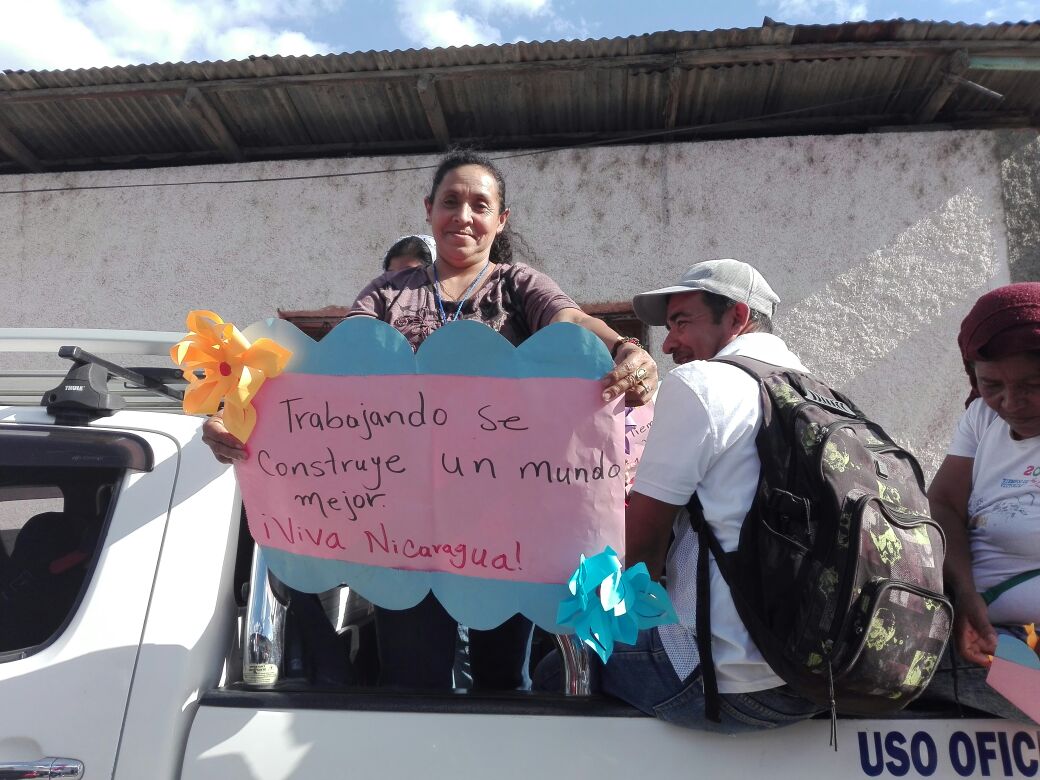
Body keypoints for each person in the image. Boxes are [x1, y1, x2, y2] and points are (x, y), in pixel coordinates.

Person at [203, 149, 659, 691]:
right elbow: (330, 377)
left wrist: (626, 348)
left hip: (505, 533)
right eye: (451, 202)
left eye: (480, 205)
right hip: (404, 537)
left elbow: (570, 320)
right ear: (429, 209)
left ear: (501, 220)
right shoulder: (388, 293)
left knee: (502, 687)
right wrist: (235, 414)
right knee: (411, 684)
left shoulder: (518, 285)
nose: (463, 216)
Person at [536, 259, 823, 732]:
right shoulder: (815, 393)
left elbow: (643, 547)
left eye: (682, 322)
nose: (668, 345)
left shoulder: (704, 384)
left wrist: (591, 609)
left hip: (726, 679)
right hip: (816, 676)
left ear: (737, 316)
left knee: (559, 665)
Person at [923, 282, 1040, 722]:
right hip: (978, 633)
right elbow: (944, 504)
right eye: (991, 385)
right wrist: (965, 592)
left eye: (1032, 385)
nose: (1011, 402)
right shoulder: (982, 418)